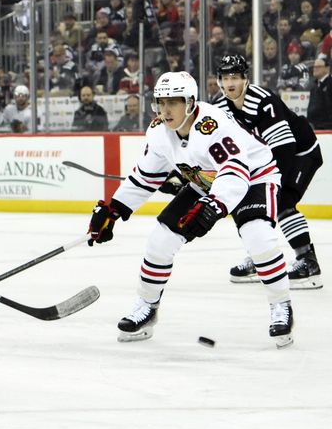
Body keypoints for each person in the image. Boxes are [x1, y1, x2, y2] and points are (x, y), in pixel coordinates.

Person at [88, 71, 294, 348]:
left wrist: (214, 206)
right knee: (160, 240)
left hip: (255, 176)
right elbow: (146, 177)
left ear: (190, 103)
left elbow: (234, 170)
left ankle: (281, 305)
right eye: (161, 102)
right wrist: (114, 209)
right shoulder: (159, 131)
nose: (166, 109)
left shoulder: (212, 124)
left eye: (173, 102)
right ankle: (147, 307)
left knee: (258, 236)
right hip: (206, 180)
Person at [214, 55, 323, 290]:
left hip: (301, 153)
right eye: (224, 77)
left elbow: (284, 148)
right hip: (265, 158)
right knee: (244, 201)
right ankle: (260, 256)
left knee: (281, 200)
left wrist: (269, 183)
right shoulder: (219, 108)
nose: (229, 83)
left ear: (245, 79)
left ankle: (308, 261)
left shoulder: (263, 101)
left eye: (234, 77)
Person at [307, 55, 332, 129]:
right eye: (314, 67)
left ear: (327, 68)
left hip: (326, 127)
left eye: (318, 67)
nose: (315, 69)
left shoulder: (330, 83)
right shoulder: (314, 85)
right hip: (314, 126)